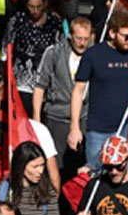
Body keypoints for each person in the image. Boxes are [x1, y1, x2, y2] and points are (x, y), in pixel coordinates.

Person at [69, 10, 128, 171]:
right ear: (112, 33)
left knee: (123, 176)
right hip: (98, 130)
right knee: (96, 174)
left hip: (126, 129)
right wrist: (74, 127)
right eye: (126, 36)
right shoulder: (93, 54)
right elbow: (78, 91)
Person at [33, 17, 92, 179]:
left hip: (84, 119)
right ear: (70, 35)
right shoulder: (54, 53)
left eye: (86, 39)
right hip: (56, 118)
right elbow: (39, 87)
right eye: (79, 38)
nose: (82, 43)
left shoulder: (94, 54)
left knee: (80, 167)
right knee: (55, 167)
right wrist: (37, 120)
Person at [8, 0, 64, 114]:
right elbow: (7, 46)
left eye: (38, 6)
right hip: (21, 81)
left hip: (45, 81)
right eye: (31, 6)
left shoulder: (54, 22)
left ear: (45, 4)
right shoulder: (17, 20)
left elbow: (59, 49)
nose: (35, 11)